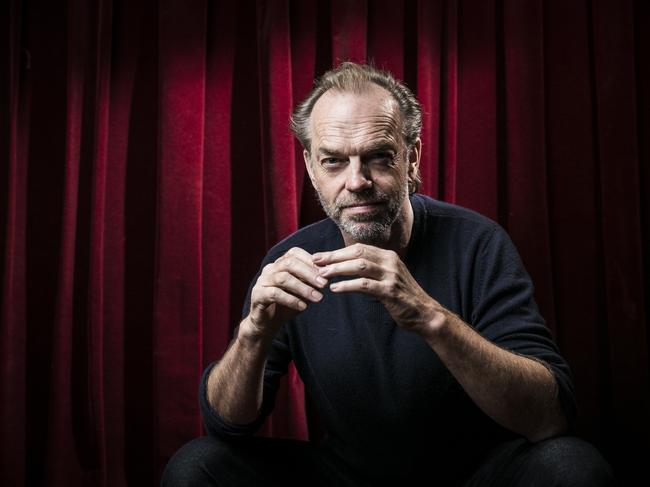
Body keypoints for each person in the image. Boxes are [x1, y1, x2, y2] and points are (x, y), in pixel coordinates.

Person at [162, 63, 614, 486]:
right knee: (197, 466)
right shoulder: (290, 261)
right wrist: (254, 334)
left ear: (411, 157)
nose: (356, 181)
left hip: (473, 475)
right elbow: (227, 424)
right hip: (346, 476)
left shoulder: (478, 243)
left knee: (573, 465)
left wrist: (428, 316)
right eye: (334, 161)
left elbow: (549, 417)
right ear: (310, 168)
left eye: (378, 156)